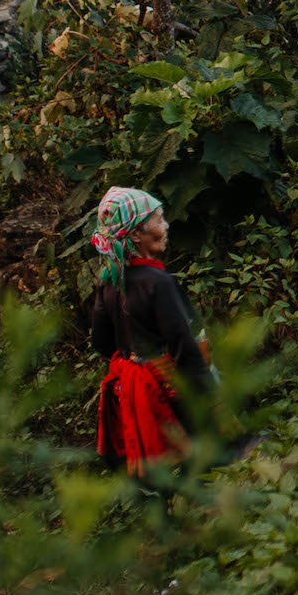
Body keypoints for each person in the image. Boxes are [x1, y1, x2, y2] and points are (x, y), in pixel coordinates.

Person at [86, 186, 214, 475]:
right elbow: (183, 344)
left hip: (133, 393)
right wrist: (208, 397)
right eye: (158, 220)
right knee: (202, 461)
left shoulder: (108, 284)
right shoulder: (159, 282)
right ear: (135, 235)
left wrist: (134, 365)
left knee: (158, 475)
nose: (165, 226)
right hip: (171, 388)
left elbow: (101, 342)